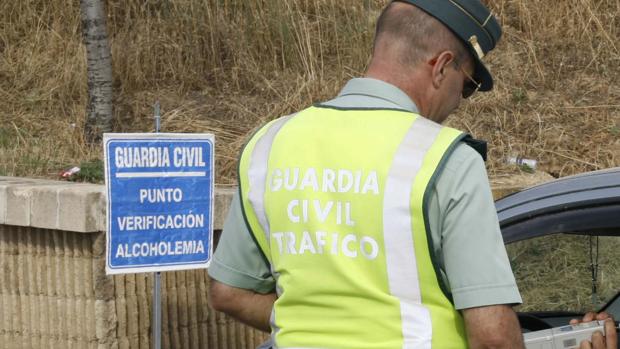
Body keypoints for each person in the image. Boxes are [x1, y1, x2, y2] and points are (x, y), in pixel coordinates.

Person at [207, 1, 617, 348]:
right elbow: (492, 335)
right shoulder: (444, 159)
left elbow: (228, 292)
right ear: (441, 66)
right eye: (469, 84)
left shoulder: (268, 145)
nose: (460, 100)